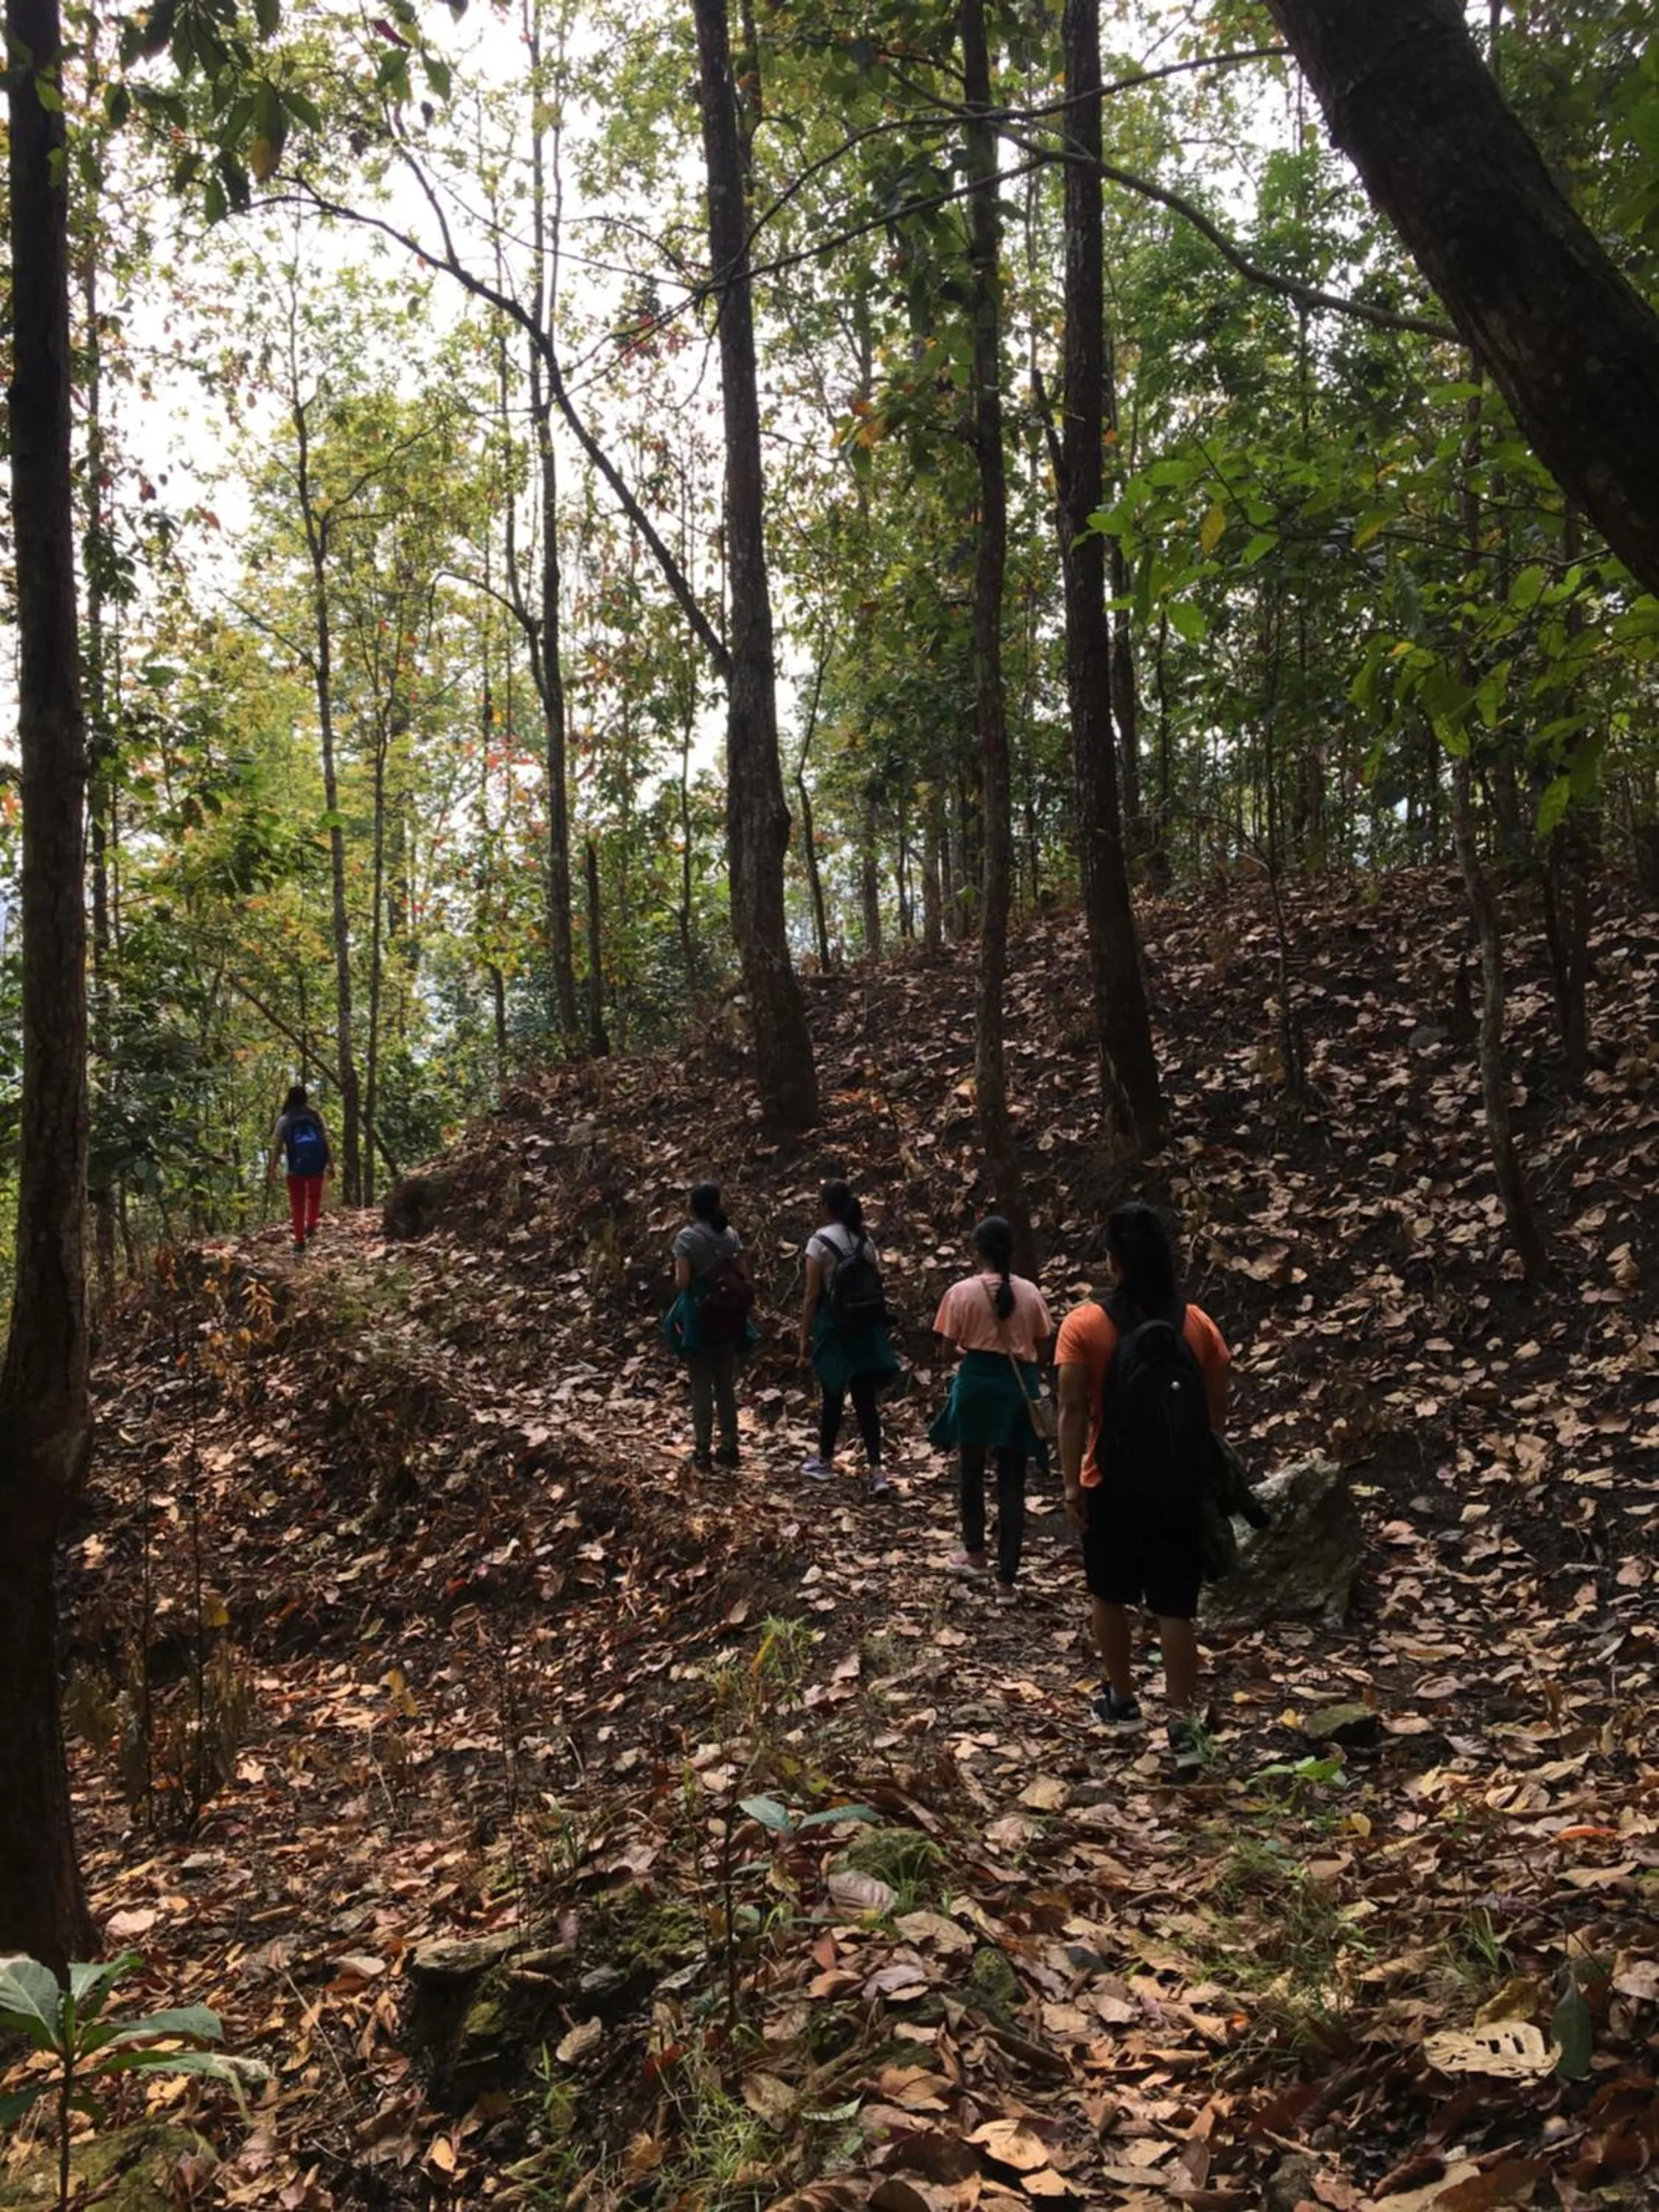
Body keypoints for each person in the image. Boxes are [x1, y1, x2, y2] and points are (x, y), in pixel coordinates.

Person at [1056, 1202, 1231, 1775]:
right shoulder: (1197, 1324)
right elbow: (1214, 1415)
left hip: (1109, 1482)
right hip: (1179, 1487)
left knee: (1110, 1594)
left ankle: (1122, 1701)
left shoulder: (1084, 1325)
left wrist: (1072, 1487)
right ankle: (1183, 1726)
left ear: (1113, 1263)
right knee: (1175, 1606)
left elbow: (1072, 1410)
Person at [928, 1217, 1053, 1604]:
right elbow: (1043, 1347)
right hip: (1018, 1390)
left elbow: (947, 1351)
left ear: (976, 1250)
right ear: (1011, 1251)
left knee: (971, 1470)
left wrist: (974, 1350)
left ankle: (976, 1552)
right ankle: (1007, 1581)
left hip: (977, 1386)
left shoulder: (961, 1293)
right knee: (1012, 1482)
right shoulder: (1031, 1293)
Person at [798, 1180, 899, 1494]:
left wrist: (804, 1335)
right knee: (866, 1400)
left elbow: (812, 1295)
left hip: (835, 1326)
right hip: (866, 1327)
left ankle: (825, 1461)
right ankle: (877, 1470)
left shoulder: (819, 1243)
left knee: (832, 1394)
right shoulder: (864, 1242)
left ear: (827, 1208)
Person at [664, 1182, 751, 1473]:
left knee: (701, 1382)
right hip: (729, 1317)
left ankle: (702, 1450)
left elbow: (683, 1282)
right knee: (725, 1384)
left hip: (699, 1316)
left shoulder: (687, 1238)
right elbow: (743, 1274)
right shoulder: (731, 1235)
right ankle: (730, 1446)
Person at [266, 1084, 332, 1255]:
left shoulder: (285, 1119)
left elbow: (278, 1147)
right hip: (317, 1163)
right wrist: (331, 1163)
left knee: (297, 1204)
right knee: (314, 1197)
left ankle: (299, 1239)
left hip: (294, 1167)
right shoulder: (316, 1115)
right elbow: (325, 1141)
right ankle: (311, 1225)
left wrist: (272, 1169)